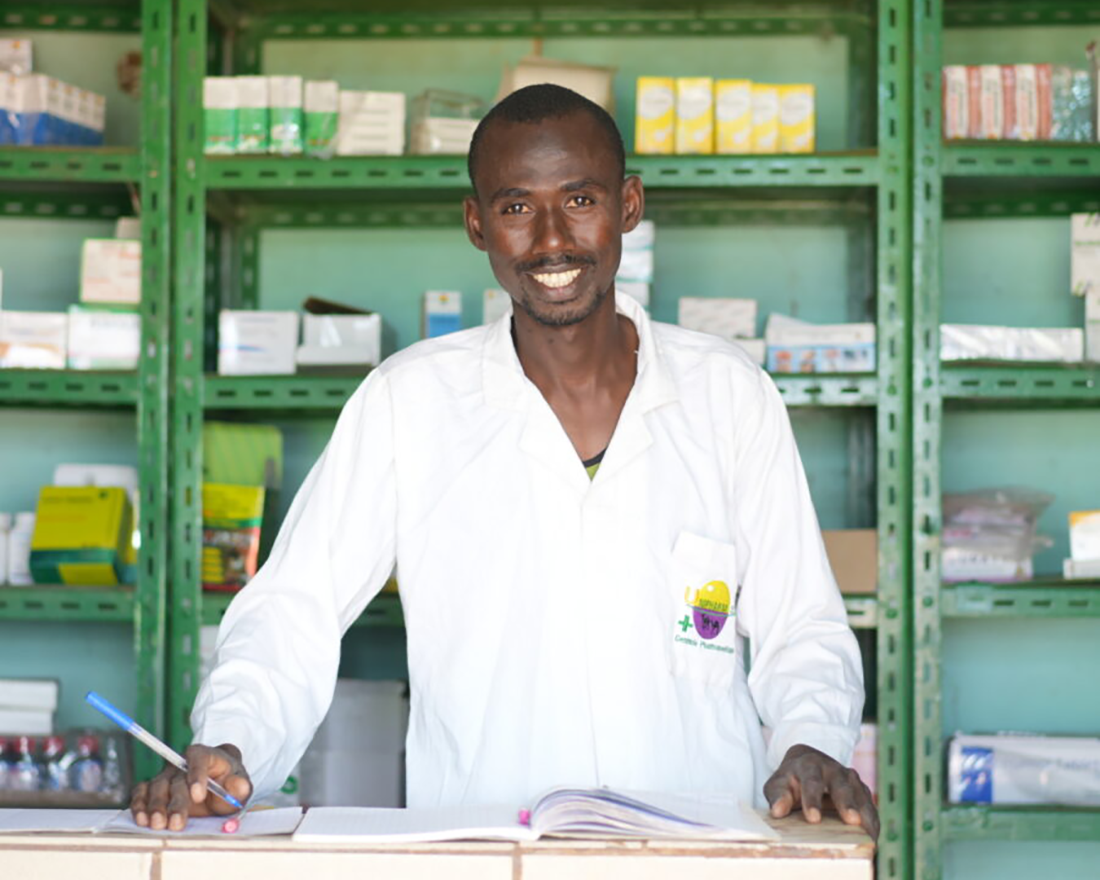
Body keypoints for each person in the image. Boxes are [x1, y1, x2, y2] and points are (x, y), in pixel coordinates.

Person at [132, 83, 879, 839]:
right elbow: (295, 608)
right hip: (486, 850)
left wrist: (810, 741)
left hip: (695, 849)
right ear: (476, 223)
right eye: (517, 207)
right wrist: (232, 740)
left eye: (580, 200)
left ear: (628, 206)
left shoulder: (728, 397)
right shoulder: (409, 403)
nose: (552, 239)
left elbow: (800, 626)